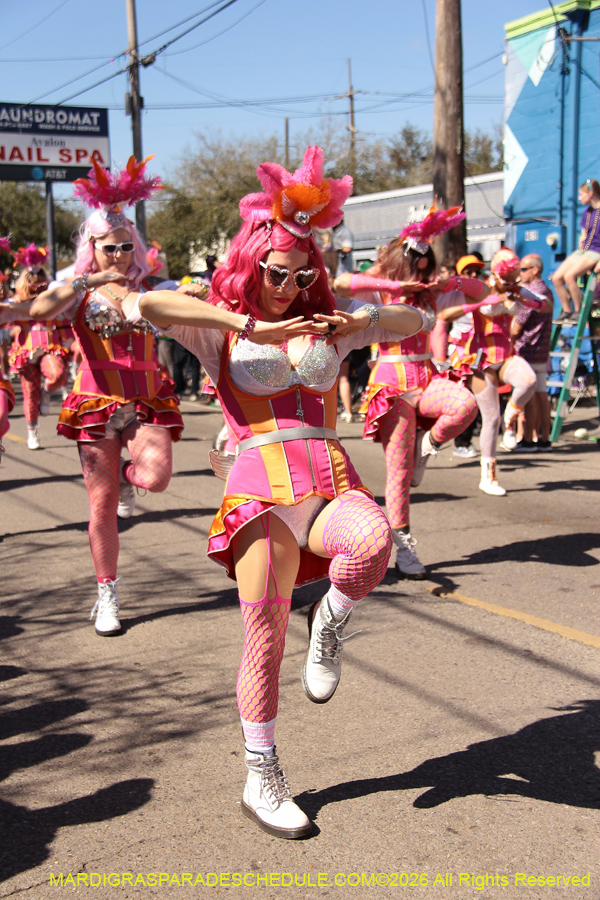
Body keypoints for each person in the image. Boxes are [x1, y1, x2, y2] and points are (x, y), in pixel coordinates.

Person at [139, 146, 428, 840]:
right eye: (276, 273)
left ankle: (328, 620)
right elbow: (148, 300)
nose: (288, 285)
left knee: (375, 541)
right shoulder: (222, 328)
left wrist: (359, 323)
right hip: (260, 491)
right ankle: (261, 773)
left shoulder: (324, 316)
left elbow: (415, 324)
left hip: (329, 479)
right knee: (262, 640)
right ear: (252, 264)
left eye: (301, 274)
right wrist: (247, 325)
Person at [29, 156, 185, 637]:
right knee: (101, 508)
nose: (119, 255)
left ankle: (127, 472)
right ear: (93, 249)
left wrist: (196, 288)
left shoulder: (150, 289)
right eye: (109, 247)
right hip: (96, 406)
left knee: (156, 477)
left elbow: (190, 298)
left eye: (125, 247)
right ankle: (107, 591)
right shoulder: (77, 292)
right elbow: (39, 307)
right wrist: (89, 281)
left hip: (144, 404)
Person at [334, 207, 478, 579]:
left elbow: (483, 289)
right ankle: (404, 546)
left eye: (426, 265)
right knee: (397, 473)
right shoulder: (382, 291)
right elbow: (341, 285)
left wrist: (450, 285)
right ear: (403, 260)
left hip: (427, 379)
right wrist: (399, 288)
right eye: (416, 263)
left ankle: (427, 447)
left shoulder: (433, 296)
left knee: (466, 405)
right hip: (392, 385)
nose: (421, 271)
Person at [436, 248, 545, 495]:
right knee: (489, 418)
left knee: (528, 381)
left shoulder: (513, 289)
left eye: (513, 279)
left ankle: (511, 419)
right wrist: (443, 284)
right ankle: (488, 477)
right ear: (494, 273)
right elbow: (452, 297)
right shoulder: (480, 289)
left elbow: (542, 304)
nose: (508, 283)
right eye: (504, 279)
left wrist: (523, 297)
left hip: (505, 354)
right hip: (480, 359)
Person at [9, 245, 69, 450]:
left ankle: (47, 392)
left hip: (50, 346)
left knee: (58, 373)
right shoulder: (15, 302)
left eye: (40, 281)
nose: (36, 285)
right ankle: (32, 431)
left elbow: (64, 322)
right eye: (32, 282)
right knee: (29, 393)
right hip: (26, 351)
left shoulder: (54, 300)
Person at [511, 254, 553, 451]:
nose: (520, 273)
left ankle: (528, 439)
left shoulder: (532, 292)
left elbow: (516, 327)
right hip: (542, 350)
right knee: (541, 395)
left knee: (529, 397)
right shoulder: (547, 291)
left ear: (535, 270)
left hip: (528, 350)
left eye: (524, 269)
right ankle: (544, 438)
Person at [552, 179, 600, 324]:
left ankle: (578, 312)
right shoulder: (587, 212)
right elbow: (584, 235)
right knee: (556, 278)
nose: (579, 198)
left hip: (596, 251)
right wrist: (579, 256)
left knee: (570, 276)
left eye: (581, 195)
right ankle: (567, 310)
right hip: (583, 251)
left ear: (590, 194)